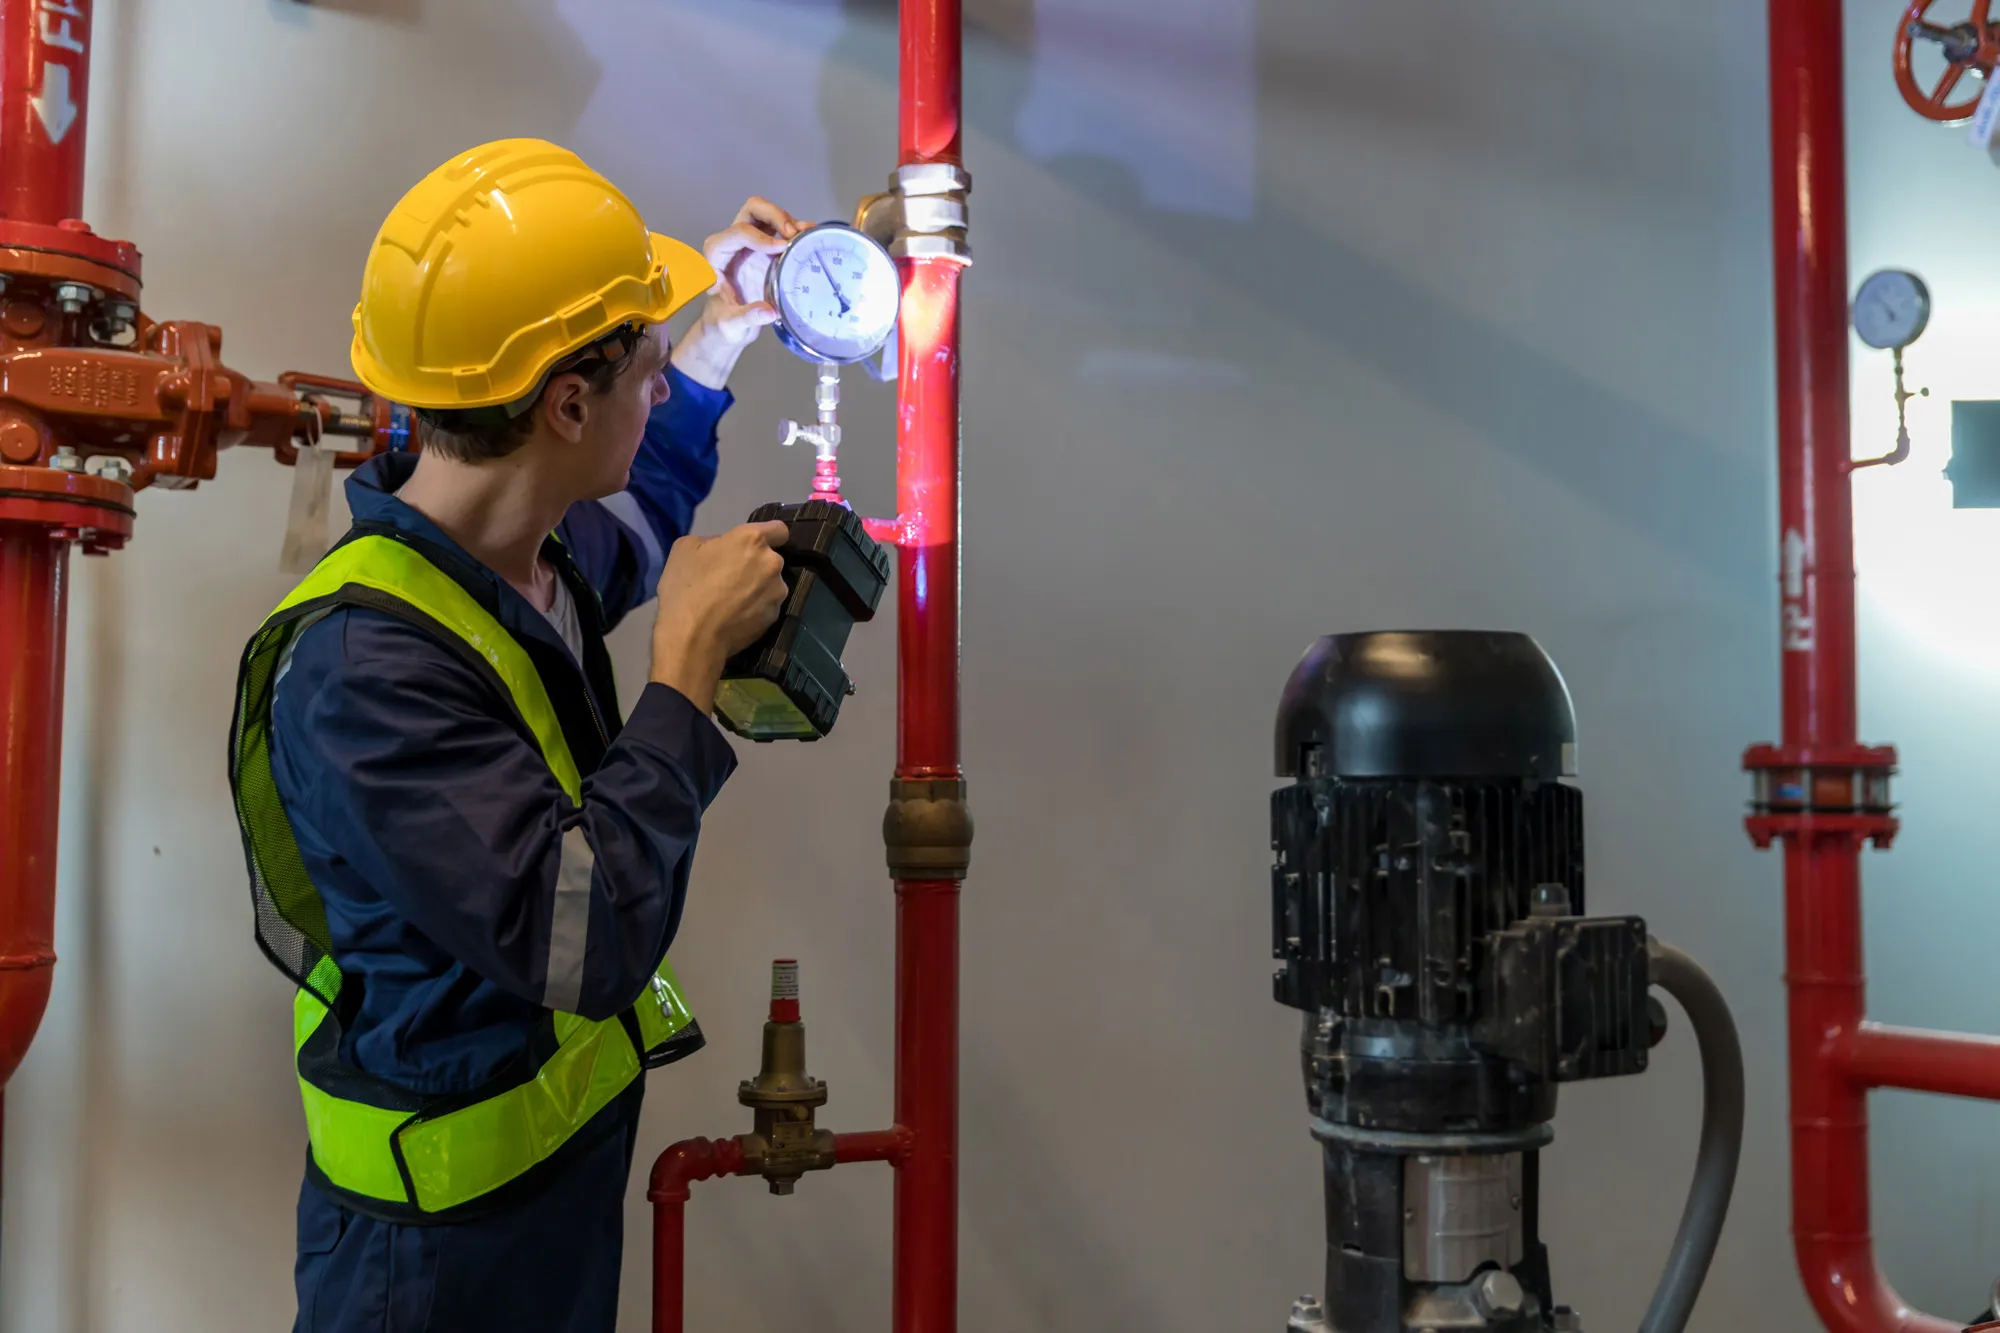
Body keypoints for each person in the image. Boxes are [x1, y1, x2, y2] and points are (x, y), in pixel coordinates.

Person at [227, 139, 803, 1331]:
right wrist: (683, 676)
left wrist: (717, 337)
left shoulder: (509, 558)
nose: (660, 382)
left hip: (540, 1220)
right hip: (430, 1272)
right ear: (566, 404)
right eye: (647, 364)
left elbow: (637, 523)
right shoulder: (362, 675)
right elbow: (583, 937)